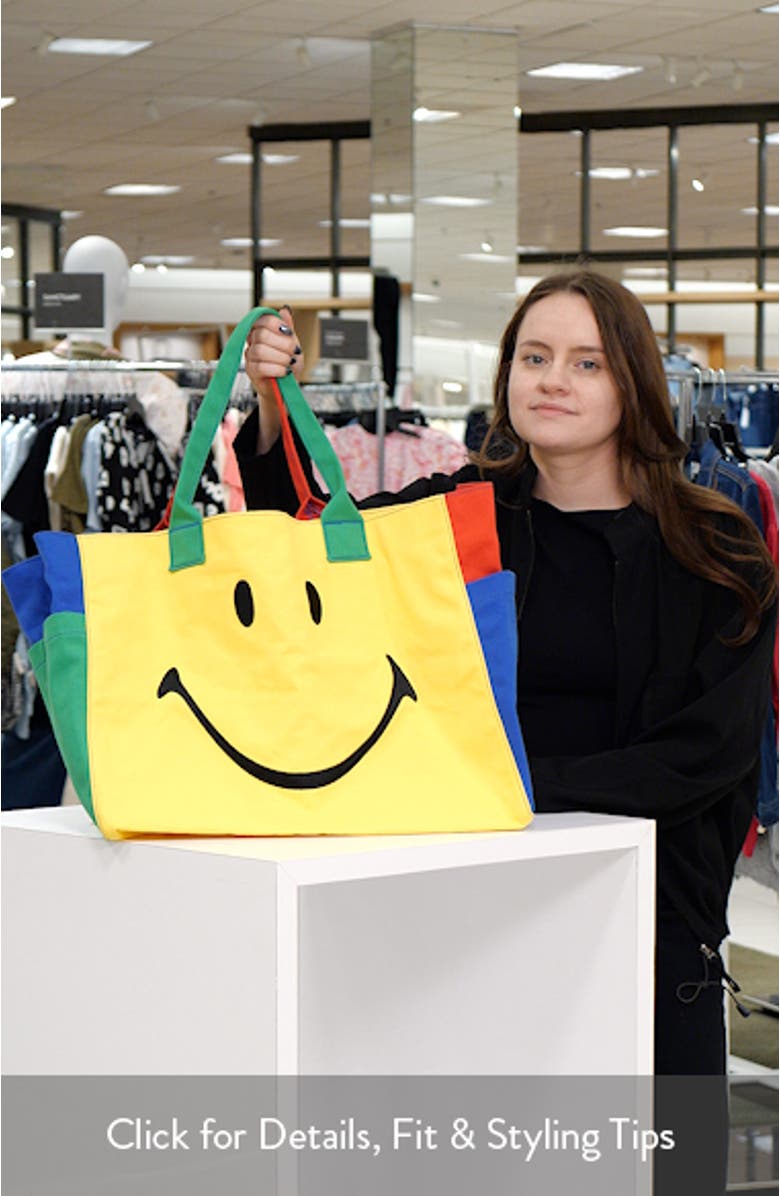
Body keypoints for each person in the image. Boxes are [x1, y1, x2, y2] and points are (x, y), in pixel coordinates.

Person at [235, 274, 776, 1084]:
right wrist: (274, 404)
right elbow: (306, 553)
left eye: (588, 364)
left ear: (635, 384)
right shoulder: (457, 518)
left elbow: (707, 754)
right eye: (535, 356)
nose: (554, 379)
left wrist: (504, 789)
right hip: (466, 914)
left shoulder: (714, 550)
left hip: (648, 921)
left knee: (661, 1160)